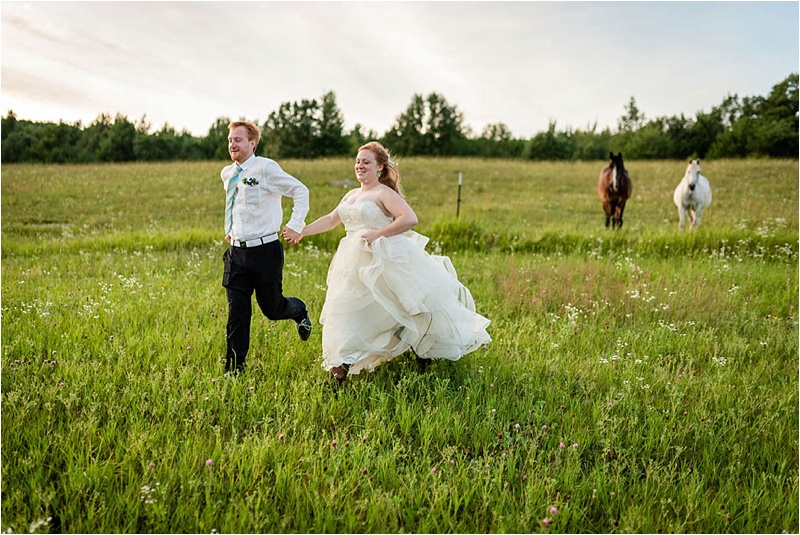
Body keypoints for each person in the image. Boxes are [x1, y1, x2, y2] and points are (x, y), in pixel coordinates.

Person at [285, 141, 491, 383]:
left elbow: (409, 218)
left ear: (380, 167)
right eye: (357, 161)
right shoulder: (351, 194)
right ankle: (341, 365)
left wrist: (376, 234)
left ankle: (417, 347)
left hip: (382, 257)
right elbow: (331, 219)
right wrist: (301, 231)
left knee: (396, 308)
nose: (359, 166)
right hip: (351, 260)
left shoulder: (383, 192)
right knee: (347, 307)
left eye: (366, 162)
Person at [220, 120, 311, 375]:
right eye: (230, 140)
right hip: (236, 253)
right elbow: (234, 204)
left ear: (252, 143)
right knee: (237, 313)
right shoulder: (227, 173)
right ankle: (234, 369)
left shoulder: (265, 168)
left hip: (265, 251)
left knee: (271, 309)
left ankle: (298, 310)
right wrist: (231, 230)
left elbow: (300, 191)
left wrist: (295, 225)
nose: (232, 144)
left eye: (238, 139)